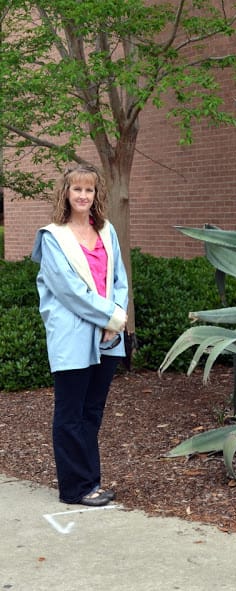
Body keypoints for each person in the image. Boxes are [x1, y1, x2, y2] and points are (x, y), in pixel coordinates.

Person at [31, 163, 128, 507]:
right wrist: (111, 318)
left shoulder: (107, 231)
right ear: (66, 194)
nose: (83, 195)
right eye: (77, 189)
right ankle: (74, 488)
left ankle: (92, 482)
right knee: (70, 414)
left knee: (92, 412)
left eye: (89, 189)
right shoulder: (53, 237)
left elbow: (119, 280)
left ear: (96, 194)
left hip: (106, 336)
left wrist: (112, 322)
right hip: (73, 335)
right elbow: (69, 291)